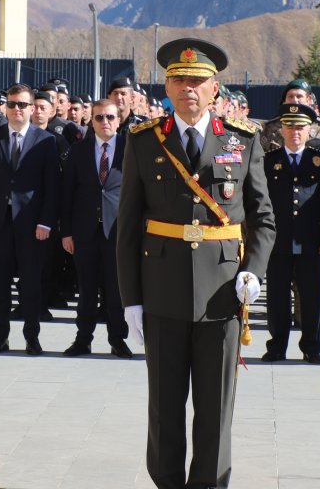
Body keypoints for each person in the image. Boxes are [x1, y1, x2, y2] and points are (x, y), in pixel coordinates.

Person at [118, 38, 274, 489]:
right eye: (180, 80)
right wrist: (131, 301)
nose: (189, 88)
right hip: (162, 292)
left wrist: (255, 273)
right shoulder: (145, 142)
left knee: (215, 407)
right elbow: (128, 228)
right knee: (165, 408)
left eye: (198, 81)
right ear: (166, 86)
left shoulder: (241, 140)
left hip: (223, 294)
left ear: (214, 89)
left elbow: (264, 219)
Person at [0, 83, 61, 355]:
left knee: (31, 283)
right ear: (6, 107)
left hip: (32, 225)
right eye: (12, 104)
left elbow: (51, 186)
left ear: (32, 108)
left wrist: (46, 222)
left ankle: (31, 337)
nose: (17, 109)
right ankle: (0, 336)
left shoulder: (46, 141)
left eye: (22, 104)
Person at [263, 103, 320, 363]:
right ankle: (277, 346)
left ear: (309, 131)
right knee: (277, 296)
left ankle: (311, 347)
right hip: (277, 241)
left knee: (311, 296)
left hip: (310, 242)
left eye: (300, 128)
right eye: (290, 126)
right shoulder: (269, 162)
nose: (295, 132)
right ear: (282, 130)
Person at [60, 99, 131, 358]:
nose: (105, 122)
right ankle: (83, 340)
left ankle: (118, 340)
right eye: (99, 118)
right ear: (92, 121)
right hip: (84, 232)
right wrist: (66, 232)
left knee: (116, 291)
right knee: (86, 289)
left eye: (110, 117)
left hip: (118, 232)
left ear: (119, 120)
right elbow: (66, 194)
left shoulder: (130, 149)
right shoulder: (79, 150)